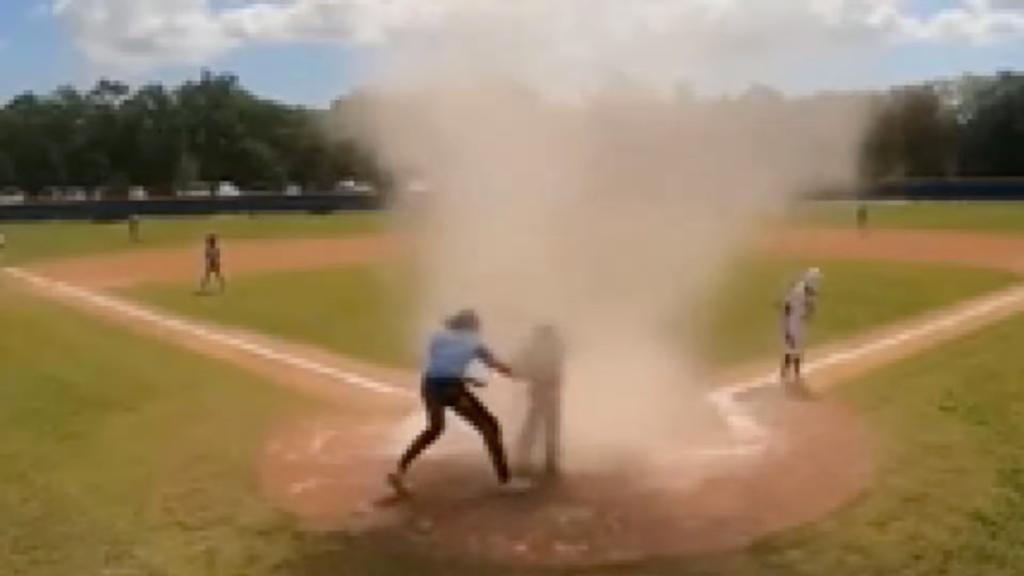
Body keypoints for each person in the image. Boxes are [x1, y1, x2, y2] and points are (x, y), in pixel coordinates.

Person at [388, 309, 526, 496]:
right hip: (451, 389)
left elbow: (443, 363)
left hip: (429, 385)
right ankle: (505, 480)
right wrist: (522, 373)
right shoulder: (476, 342)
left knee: (435, 428)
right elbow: (498, 366)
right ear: (471, 326)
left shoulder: (437, 337)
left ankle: (400, 470)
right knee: (490, 426)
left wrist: (465, 378)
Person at [513, 324, 566, 480]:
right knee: (549, 425)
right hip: (549, 388)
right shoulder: (555, 347)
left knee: (534, 423)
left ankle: (525, 459)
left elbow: (520, 366)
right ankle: (549, 462)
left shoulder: (534, 348)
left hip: (541, 388)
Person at [779, 267, 823, 398]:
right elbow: (787, 308)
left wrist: (809, 313)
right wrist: (786, 328)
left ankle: (796, 374)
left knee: (798, 350)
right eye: (817, 280)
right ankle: (785, 373)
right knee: (791, 349)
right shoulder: (797, 292)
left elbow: (810, 308)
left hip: (801, 325)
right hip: (792, 324)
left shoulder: (811, 293)